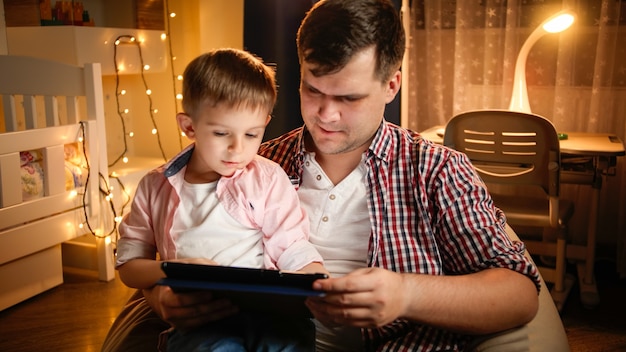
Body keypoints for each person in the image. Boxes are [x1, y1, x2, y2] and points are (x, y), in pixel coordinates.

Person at [102, 1, 541, 351]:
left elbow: (518, 294)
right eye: (313, 90)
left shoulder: (436, 170)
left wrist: (407, 295)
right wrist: (160, 299)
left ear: (391, 86)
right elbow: (163, 247)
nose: (326, 115)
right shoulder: (256, 163)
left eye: (348, 97)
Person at [114, 48, 327, 352]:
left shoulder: (267, 179)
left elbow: (291, 245)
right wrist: (175, 270)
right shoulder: (155, 186)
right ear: (189, 126)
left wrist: (312, 279)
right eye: (221, 133)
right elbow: (129, 264)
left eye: (252, 135)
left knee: (289, 342)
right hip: (202, 322)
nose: (237, 149)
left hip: (269, 317)